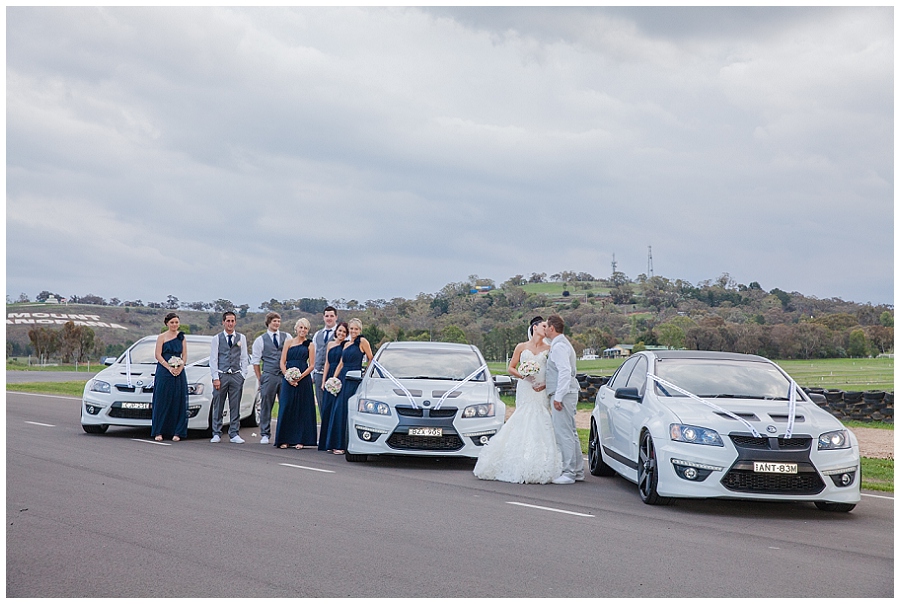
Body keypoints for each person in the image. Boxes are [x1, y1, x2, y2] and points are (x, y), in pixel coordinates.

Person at [474, 316, 561, 483]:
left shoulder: (549, 349)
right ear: (535, 327)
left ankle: (539, 461)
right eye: (544, 326)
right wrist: (524, 376)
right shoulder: (522, 347)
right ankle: (516, 458)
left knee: (540, 418)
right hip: (525, 388)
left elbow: (554, 371)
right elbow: (511, 368)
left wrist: (544, 385)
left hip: (541, 390)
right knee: (523, 418)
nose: (547, 329)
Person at [544, 314, 585, 484]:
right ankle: (578, 471)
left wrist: (558, 397)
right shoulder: (560, 343)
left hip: (564, 394)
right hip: (568, 393)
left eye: (546, 326)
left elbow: (564, 372)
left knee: (564, 433)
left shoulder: (559, 346)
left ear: (552, 328)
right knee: (571, 432)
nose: (545, 329)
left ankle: (569, 473)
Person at [322, 318, 373, 454]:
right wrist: (334, 378)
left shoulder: (362, 341)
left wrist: (365, 375)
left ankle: (343, 445)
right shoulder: (346, 344)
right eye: (351, 329)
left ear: (360, 330)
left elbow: (371, 358)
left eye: (356, 329)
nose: (353, 331)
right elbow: (341, 363)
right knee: (338, 409)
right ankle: (335, 443)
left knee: (345, 409)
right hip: (343, 377)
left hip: (354, 378)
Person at [274, 318, 318, 449]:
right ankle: (285, 439)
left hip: (303, 379)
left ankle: (301, 439)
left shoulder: (310, 345)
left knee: (302, 408)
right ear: (296, 328)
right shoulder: (288, 342)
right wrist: (288, 376)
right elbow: (282, 362)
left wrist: (299, 377)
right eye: (301, 327)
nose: (303, 330)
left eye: (305, 328)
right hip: (288, 379)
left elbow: (312, 365)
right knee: (287, 406)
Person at [209, 311, 249, 444]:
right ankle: (216, 433)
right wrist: (215, 377)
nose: (230, 323)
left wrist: (243, 374)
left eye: (232, 321)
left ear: (235, 322)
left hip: (236, 375)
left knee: (235, 406)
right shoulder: (217, 338)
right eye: (228, 321)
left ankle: (234, 433)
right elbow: (213, 359)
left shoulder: (241, 338)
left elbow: (244, 357)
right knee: (218, 405)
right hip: (221, 375)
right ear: (223, 322)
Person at [250, 312, 287, 445]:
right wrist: (260, 378)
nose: (277, 323)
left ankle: (284, 434)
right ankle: (265, 434)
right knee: (266, 405)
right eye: (274, 321)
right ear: (268, 323)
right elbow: (255, 362)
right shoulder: (260, 340)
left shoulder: (287, 337)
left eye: (278, 321)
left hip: (284, 375)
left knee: (285, 404)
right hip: (269, 375)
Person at [150, 312, 189, 442]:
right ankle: (159, 431)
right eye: (172, 322)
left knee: (177, 401)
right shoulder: (161, 337)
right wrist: (169, 367)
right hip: (164, 371)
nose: (174, 324)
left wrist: (180, 367)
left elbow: (184, 355)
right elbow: (158, 354)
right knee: (162, 400)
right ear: (167, 323)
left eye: (176, 322)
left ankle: (177, 432)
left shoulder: (181, 337)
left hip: (178, 372)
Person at [317, 321, 348, 452]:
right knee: (327, 408)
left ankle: (336, 442)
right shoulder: (330, 344)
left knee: (337, 410)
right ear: (336, 331)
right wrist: (324, 381)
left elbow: (342, 363)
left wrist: (335, 379)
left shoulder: (346, 345)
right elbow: (327, 363)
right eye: (340, 330)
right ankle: (326, 442)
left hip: (339, 376)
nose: (341, 333)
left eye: (344, 332)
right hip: (330, 376)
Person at [311, 306, 339, 411]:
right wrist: (312, 373)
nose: (329, 318)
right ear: (323, 317)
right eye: (327, 316)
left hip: (334, 373)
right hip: (319, 373)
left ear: (336, 317)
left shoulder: (341, 333)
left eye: (331, 316)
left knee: (333, 404)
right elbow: (313, 354)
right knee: (321, 403)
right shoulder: (317, 335)